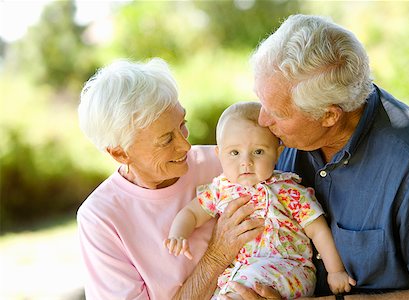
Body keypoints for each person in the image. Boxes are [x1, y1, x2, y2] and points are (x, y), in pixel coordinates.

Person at [245, 14, 409, 299]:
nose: (262, 119)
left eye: (278, 113)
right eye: (261, 101)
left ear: (329, 115)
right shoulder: (277, 137)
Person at [76, 58, 267, 299]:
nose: (186, 145)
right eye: (166, 140)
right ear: (119, 152)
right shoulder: (100, 218)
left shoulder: (228, 163)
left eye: (182, 125)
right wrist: (217, 256)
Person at [164, 101, 355, 299]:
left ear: (277, 153)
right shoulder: (220, 189)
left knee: (243, 289)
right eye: (235, 153)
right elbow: (192, 213)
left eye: (258, 152)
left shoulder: (288, 190)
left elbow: (318, 229)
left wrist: (335, 271)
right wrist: (178, 234)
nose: (246, 162)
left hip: (289, 269)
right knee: (229, 291)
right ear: (219, 154)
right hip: (240, 273)